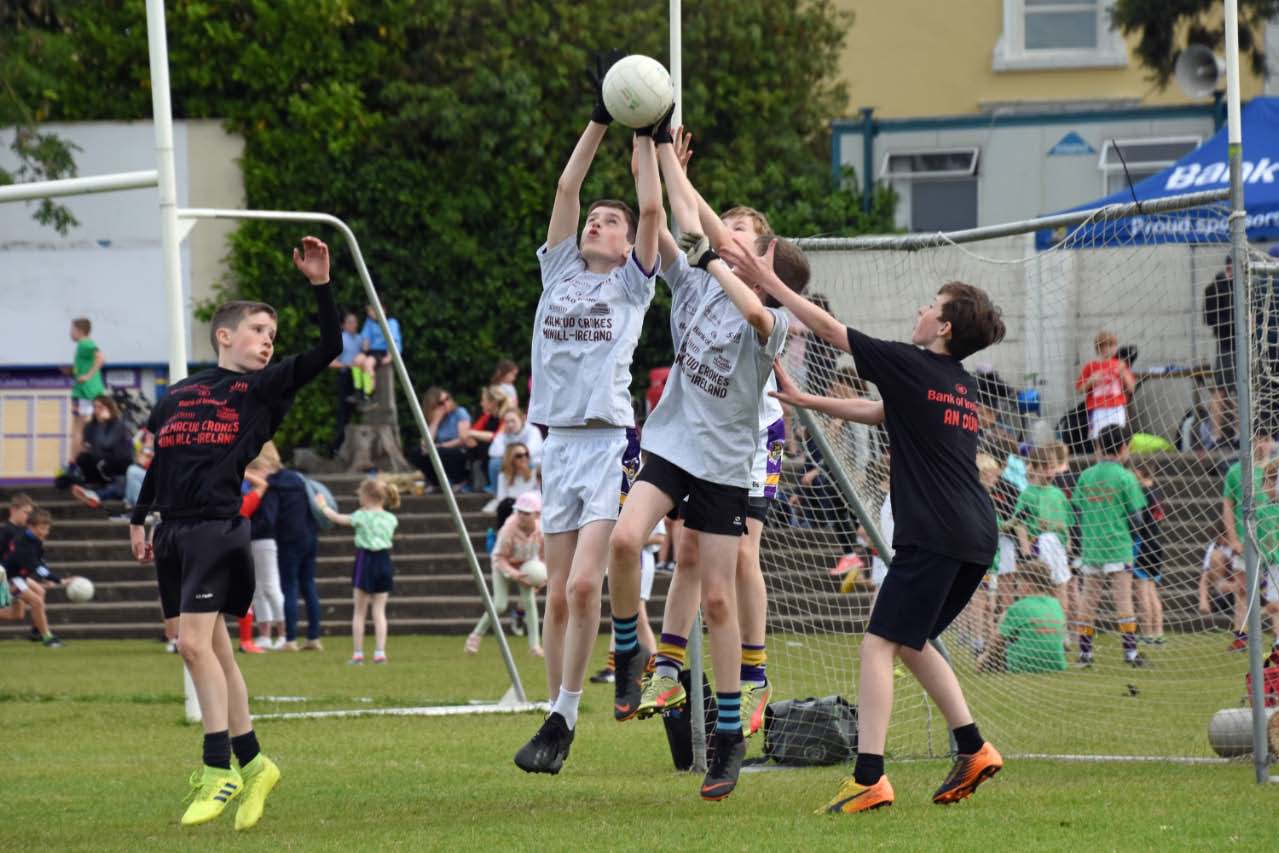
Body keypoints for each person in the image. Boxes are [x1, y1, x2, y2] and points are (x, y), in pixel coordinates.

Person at [761, 271, 1006, 814]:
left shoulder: (911, 362)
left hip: (937, 532)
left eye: (931, 305)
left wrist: (766, 280)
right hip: (974, 533)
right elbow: (882, 413)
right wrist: (808, 399)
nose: (921, 308)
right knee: (909, 641)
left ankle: (869, 776)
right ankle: (973, 747)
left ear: (942, 327)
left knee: (877, 643)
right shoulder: (956, 382)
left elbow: (826, 327)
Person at [607, 123, 797, 801]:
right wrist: (653, 144)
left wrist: (717, 251)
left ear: (762, 254)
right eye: (729, 227)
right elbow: (665, 212)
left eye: (744, 232)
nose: (729, 235)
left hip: (723, 461)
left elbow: (737, 287)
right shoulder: (689, 277)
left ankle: (726, 735)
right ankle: (631, 649)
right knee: (625, 539)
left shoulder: (775, 315)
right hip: (672, 441)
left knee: (720, 596)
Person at [127, 236, 339, 828]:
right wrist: (141, 518)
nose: (268, 340)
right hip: (172, 531)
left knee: (193, 646)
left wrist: (320, 285)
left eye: (272, 334)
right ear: (225, 335)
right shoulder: (176, 395)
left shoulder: (261, 390)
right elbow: (161, 462)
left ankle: (217, 767)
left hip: (219, 530)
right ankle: (255, 762)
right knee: (212, 648)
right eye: (257, 330)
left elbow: (329, 347)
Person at [512, 51, 659, 778]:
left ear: (626, 242)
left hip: (605, 444)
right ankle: (556, 714)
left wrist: (646, 135)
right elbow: (569, 183)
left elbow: (654, 209)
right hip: (556, 444)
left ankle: (570, 707)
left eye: (611, 220)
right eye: (595, 219)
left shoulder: (632, 287)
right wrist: (601, 117)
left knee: (579, 587)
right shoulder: (560, 270)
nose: (598, 221)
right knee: (556, 591)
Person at [1071, 425, 1146, 667]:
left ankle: (1085, 653)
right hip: (1118, 545)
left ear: (1099, 447)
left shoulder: (1086, 475)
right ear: (1124, 448)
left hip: (1091, 547)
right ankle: (1130, 653)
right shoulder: (1126, 477)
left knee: (1088, 599)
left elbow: (1077, 511)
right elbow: (1137, 517)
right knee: (1123, 599)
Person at [316, 479, 400, 664]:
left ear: (367, 497)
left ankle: (358, 653)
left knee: (359, 611)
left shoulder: (361, 516)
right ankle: (380, 652)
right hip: (384, 561)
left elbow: (337, 518)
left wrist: (322, 506)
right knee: (379, 611)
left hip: (366, 561)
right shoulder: (391, 518)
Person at [468, 491, 545, 656]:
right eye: (520, 512)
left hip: (525, 566)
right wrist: (515, 574)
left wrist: (543, 577)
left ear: (536, 515)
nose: (522, 516)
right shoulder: (508, 528)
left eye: (527, 513)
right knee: (499, 604)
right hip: (503, 566)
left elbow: (545, 555)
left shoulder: (541, 530)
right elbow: (499, 557)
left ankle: (534, 646)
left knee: (529, 603)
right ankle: (475, 636)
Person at [1012, 445, 1075, 640]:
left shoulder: (1058, 494)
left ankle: (1061, 635)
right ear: (1036, 468)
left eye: (1052, 467)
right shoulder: (1028, 494)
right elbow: (1019, 523)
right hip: (1040, 545)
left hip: (1058, 548)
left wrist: (1068, 544)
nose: (1049, 471)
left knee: (1061, 589)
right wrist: (1025, 550)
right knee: (1041, 591)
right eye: (1045, 467)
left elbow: (1067, 523)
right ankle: (1036, 633)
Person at [1220, 430, 1274, 650]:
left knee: (1274, 592)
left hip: (1273, 542)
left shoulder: (1274, 470)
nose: (1261, 445)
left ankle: (1277, 639)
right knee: (1243, 588)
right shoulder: (1235, 472)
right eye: (1257, 440)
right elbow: (1227, 505)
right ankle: (1241, 635)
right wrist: (1233, 538)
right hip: (1246, 541)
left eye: (1266, 439)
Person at [975, 560, 1067, 674]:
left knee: (1004, 625)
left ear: (1026, 585)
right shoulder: (1056, 604)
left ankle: (985, 661)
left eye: (1018, 583)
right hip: (1056, 664)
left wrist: (984, 658)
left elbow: (998, 640)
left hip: (1021, 664)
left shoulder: (1018, 607)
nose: (1016, 587)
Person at [270, 462, 324, 652]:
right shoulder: (299, 480)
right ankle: (314, 636)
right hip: (309, 535)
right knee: (308, 585)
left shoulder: (274, 485)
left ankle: (291, 638)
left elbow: (271, 516)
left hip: (287, 539)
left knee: (289, 588)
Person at [0, 497, 63, 647]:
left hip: (16, 575)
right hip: (5, 575)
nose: (28, 516)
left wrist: (45, 575)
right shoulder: (5, 531)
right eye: (25, 512)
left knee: (19, 613)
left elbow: (33, 558)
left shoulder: (26, 533)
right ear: (13, 510)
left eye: (30, 512)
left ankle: (37, 632)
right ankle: (46, 636)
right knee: (36, 600)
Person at [245, 443, 285, 651]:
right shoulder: (260, 488)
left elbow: (268, 519)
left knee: (270, 586)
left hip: (264, 539)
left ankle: (283, 632)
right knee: (258, 589)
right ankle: (265, 633)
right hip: (254, 539)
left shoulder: (270, 488)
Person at [67, 395, 135, 508]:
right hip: (101, 463)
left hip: (118, 466)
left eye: (101, 407)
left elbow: (107, 443)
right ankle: (93, 486)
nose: (97, 410)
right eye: (95, 407)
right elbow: (92, 447)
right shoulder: (90, 426)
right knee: (83, 458)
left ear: (109, 408)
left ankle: (94, 494)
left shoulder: (118, 424)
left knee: (120, 490)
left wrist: (104, 424)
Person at [1074, 330, 1135, 439]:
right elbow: (1079, 390)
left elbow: (1131, 388)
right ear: (1100, 348)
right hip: (1098, 408)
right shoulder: (1091, 367)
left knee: (1118, 437)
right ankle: (1100, 455)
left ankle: (1119, 454)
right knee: (1098, 438)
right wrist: (1090, 381)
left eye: (1115, 345)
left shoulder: (1120, 365)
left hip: (1116, 407)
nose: (1114, 348)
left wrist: (1123, 374)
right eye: (1110, 345)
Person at [1131, 462, 1166, 645]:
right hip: (1157, 544)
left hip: (1142, 544)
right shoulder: (1157, 492)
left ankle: (1146, 633)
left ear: (1139, 472)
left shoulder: (1141, 493)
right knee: (1152, 591)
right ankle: (1158, 632)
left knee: (1142, 591)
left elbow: (1136, 520)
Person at [1203, 255, 1236, 448]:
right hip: (1226, 344)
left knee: (1241, 390)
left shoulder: (1242, 286)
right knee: (1221, 390)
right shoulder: (1215, 288)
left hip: (1240, 344)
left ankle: (1239, 436)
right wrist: (1232, 326)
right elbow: (1210, 318)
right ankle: (1216, 436)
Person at [415, 387, 471, 491]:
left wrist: (440, 446)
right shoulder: (435, 418)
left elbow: (463, 439)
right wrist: (436, 421)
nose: (447, 404)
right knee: (418, 452)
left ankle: (460, 480)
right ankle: (436, 483)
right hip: (440, 449)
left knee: (440, 452)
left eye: (447, 399)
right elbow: (425, 443)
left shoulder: (459, 412)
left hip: (458, 449)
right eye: (441, 403)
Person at [330, 311, 364, 453]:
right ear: (343, 325)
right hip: (346, 377)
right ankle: (336, 447)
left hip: (359, 377)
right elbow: (331, 362)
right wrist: (347, 365)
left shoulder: (360, 338)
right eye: (350, 322)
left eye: (355, 322)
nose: (353, 325)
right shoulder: (340, 339)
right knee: (345, 415)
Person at [69, 317, 106, 444]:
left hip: (85, 391)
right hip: (89, 390)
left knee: (80, 429)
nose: (70, 332)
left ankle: (77, 461)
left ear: (79, 330)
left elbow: (100, 357)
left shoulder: (85, 343)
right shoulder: (83, 345)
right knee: (87, 427)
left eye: (72, 329)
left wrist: (87, 376)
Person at [487, 406, 544, 488]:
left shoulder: (533, 431)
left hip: (531, 463)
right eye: (506, 422)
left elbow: (528, 452)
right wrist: (512, 457)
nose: (509, 425)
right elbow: (492, 451)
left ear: (522, 419)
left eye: (513, 421)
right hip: (510, 463)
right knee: (494, 463)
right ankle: (498, 496)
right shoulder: (504, 432)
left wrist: (509, 455)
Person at [467, 386, 510, 491]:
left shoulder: (507, 415)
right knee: (474, 447)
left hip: (505, 452)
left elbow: (498, 437)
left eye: (483, 400)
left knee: (483, 447)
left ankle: (492, 485)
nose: (481, 403)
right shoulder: (487, 416)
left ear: (493, 402)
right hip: (491, 451)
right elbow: (470, 432)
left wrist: (473, 434)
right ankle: (479, 482)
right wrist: (472, 435)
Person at [358, 301, 402, 398]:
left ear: (382, 309)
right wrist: (365, 343)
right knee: (357, 359)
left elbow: (395, 342)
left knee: (368, 363)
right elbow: (365, 341)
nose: (370, 313)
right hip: (371, 352)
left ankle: (369, 394)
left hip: (383, 352)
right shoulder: (369, 322)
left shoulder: (391, 322)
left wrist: (390, 357)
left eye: (372, 310)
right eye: (368, 311)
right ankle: (358, 388)